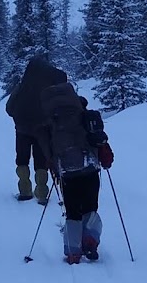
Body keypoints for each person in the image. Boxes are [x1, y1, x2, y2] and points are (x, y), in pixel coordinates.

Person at [40, 84, 113, 263]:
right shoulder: (86, 116)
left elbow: (46, 148)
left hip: (67, 172)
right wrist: (106, 160)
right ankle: (90, 241)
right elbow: (100, 140)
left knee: (72, 211)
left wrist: (52, 166)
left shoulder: (49, 121)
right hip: (90, 169)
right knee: (90, 207)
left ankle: (73, 252)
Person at [4, 54, 66, 203]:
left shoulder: (22, 86)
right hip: (43, 131)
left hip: (22, 129)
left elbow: (9, 108)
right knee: (41, 160)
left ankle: (25, 191)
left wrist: (19, 118)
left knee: (22, 159)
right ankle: (42, 193)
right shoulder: (49, 88)